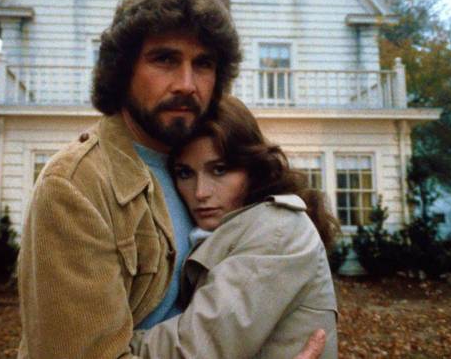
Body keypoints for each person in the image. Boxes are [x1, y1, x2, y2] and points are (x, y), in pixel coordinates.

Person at [17, 0, 326, 359]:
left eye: (203, 64)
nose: (186, 83)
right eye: (164, 59)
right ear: (123, 69)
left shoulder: (199, 169)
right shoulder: (76, 187)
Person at [131, 96, 340, 358]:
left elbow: (193, 349)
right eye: (185, 173)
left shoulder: (277, 230)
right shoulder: (233, 227)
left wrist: (100, 345)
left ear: (253, 168)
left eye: (219, 170)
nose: (200, 192)